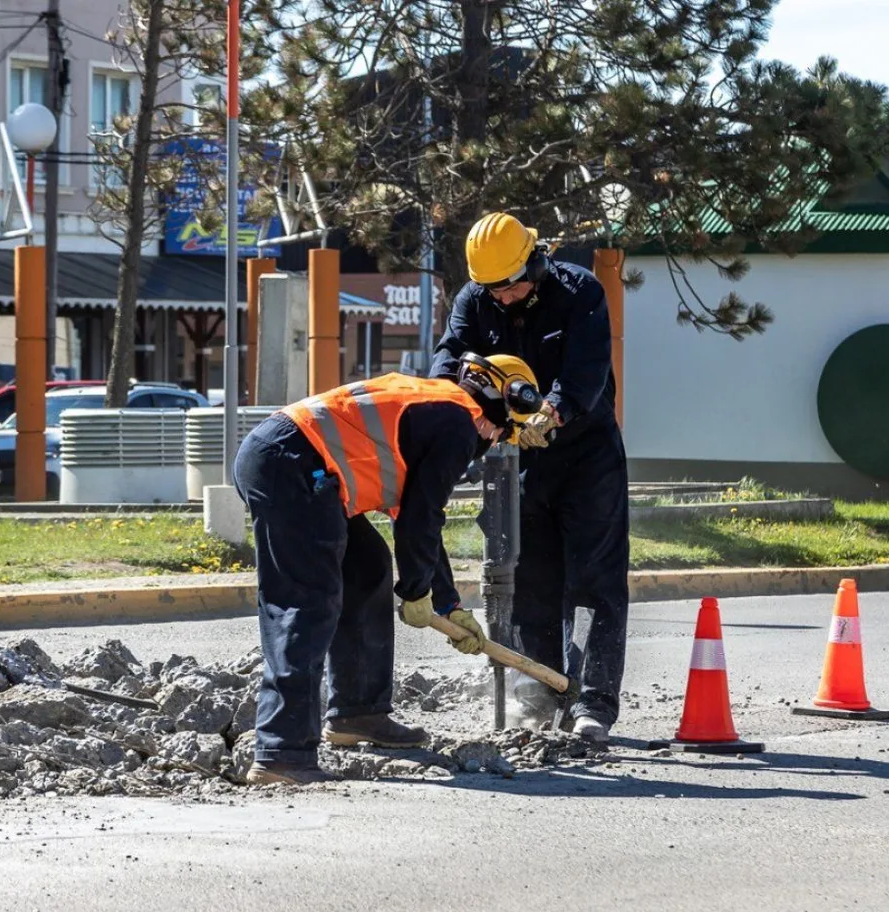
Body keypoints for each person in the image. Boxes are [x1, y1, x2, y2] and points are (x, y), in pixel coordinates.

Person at [232, 360, 527, 785]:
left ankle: (358, 712)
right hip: (292, 466)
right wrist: (416, 593)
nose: (494, 442)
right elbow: (421, 520)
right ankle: (282, 752)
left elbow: (418, 522)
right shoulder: (461, 424)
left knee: (367, 568)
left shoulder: (437, 405)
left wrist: (448, 604)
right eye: (503, 433)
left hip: (295, 461)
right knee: (307, 602)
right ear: (498, 410)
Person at [430, 211, 629, 743]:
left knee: (592, 582)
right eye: (491, 289)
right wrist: (449, 403)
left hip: (586, 455)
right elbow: (451, 359)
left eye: (511, 287)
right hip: (518, 462)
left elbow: (587, 369)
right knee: (530, 581)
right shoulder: (476, 300)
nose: (503, 298)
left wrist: (554, 411)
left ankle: (591, 704)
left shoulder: (578, 291)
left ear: (535, 263)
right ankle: (537, 694)